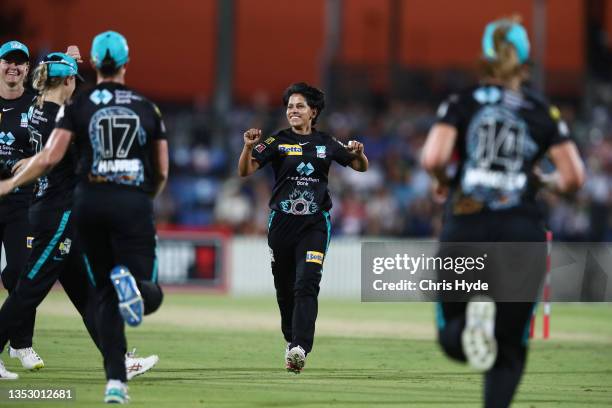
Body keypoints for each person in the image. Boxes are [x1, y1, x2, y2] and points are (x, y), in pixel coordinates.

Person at [421, 17, 585, 408]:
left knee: (451, 332)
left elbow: (433, 157)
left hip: (467, 223)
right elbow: (575, 177)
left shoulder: (462, 101)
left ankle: (466, 331)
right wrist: (542, 182)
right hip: (521, 231)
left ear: (486, 56)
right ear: (525, 59)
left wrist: (444, 178)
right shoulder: (543, 110)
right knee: (509, 349)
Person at [0, 31, 168, 403]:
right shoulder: (64, 114)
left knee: (90, 296)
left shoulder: (48, 112)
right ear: (70, 81)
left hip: (65, 213)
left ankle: (120, 362)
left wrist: (16, 174)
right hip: (58, 213)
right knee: (28, 289)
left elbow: (40, 156)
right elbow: (51, 156)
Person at [238, 82, 368, 373]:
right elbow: (245, 170)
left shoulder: (328, 143)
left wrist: (358, 153)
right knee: (285, 290)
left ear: (313, 112)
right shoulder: (275, 142)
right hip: (282, 224)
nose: (293, 111)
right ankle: (291, 339)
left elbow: (361, 167)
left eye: (299, 106)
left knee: (306, 283)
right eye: (289, 107)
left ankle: (300, 347)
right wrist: (247, 148)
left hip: (315, 224)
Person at [0, 40, 44, 374]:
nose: (13, 67)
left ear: (28, 69)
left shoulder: (36, 105)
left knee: (21, 273)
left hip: (21, 201)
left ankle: (21, 345)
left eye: (20, 62)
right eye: (8, 61)